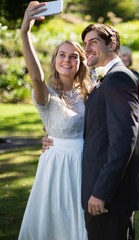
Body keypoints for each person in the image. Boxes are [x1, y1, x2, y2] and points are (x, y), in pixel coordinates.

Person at [18, 2, 92, 239]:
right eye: (62, 55)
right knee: (57, 220)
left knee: (82, 221)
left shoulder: (89, 92)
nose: (67, 61)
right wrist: (25, 32)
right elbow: (36, 77)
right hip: (58, 164)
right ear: (55, 59)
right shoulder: (45, 93)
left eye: (73, 57)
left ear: (80, 62)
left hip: (87, 163)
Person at [80, 23, 139, 240]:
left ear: (113, 44)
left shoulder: (118, 77)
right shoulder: (108, 78)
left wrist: (101, 192)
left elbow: (124, 140)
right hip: (105, 193)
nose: (87, 48)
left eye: (93, 42)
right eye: (85, 43)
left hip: (109, 198)